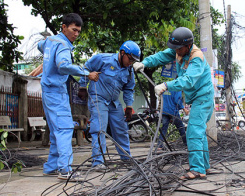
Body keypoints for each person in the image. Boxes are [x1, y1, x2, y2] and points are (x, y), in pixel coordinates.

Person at [133, 27, 214, 180]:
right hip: (198, 98)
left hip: (203, 98)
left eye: (178, 48)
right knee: (199, 132)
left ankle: (197, 169)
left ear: (188, 45)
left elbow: (188, 80)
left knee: (193, 131)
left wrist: (166, 85)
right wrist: (144, 63)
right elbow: (161, 56)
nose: (175, 51)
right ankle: (204, 166)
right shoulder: (179, 51)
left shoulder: (196, 58)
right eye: (174, 48)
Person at [38, 13, 99, 181]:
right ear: (64, 27)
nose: (76, 34)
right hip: (56, 91)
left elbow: (39, 45)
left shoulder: (50, 41)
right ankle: (65, 170)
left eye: (79, 31)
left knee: (55, 131)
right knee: (64, 129)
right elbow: (63, 65)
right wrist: (87, 73)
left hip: (47, 91)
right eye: (74, 30)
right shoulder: (64, 45)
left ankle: (51, 167)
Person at [78, 40, 141, 170]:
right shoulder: (102, 59)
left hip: (113, 101)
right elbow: (86, 69)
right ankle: (98, 162)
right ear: (122, 53)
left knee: (121, 128)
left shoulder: (129, 70)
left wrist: (129, 106)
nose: (131, 63)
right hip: (98, 98)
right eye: (130, 59)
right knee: (99, 128)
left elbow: (129, 88)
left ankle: (126, 158)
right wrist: (83, 86)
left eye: (133, 61)